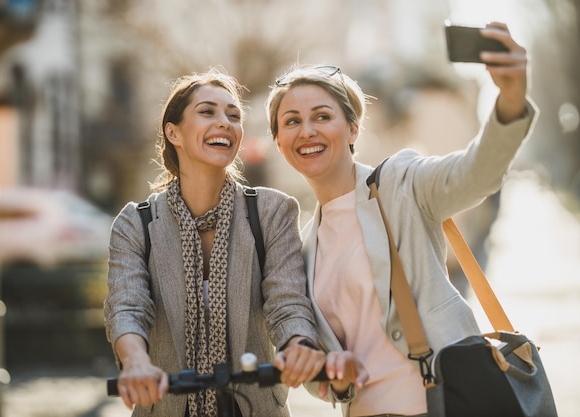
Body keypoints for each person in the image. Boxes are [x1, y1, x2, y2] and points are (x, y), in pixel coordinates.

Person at [265, 22, 538, 417]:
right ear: (278, 140)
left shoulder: (400, 183)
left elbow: (474, 174)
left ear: (353, 127)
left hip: (443, 404)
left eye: (322, 116)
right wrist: (332, 375)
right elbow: (327, 373)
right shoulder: (306, 246)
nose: (306, 130)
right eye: (291, 121)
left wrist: (510, 102)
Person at [103, 67, 365, 417]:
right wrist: (136, 362)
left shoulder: (272, 211)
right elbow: (127, 306)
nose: (225, 122)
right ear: (173, 132)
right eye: (207, 112)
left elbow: (287, 302)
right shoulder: (136, 223)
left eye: (234, 115)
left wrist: (299, 346)